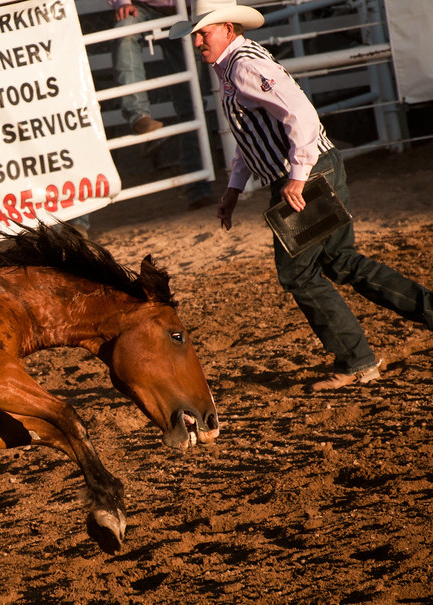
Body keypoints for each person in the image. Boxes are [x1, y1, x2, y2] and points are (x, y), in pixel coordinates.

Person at [170, 0, 433, 391]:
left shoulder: (244, 66)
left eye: (202, 33)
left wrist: (297, 176)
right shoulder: (235, 66)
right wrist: (233, 188)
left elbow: (301, 115)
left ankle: (357, 360)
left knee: (299, 273)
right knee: (340, 262)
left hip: (304, 174)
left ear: (227, 28)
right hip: (310, 168)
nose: (197, 42)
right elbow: (254, 135)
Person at [109, 0, 213, 209]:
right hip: (144, 6)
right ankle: (138, 115)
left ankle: (197, 187)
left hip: (187, 10)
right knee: (125, 31)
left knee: (192, 102)